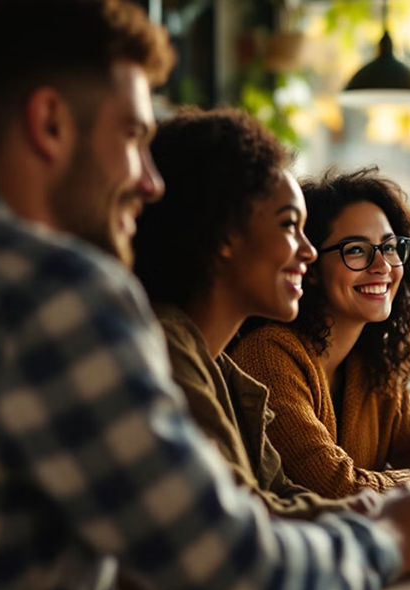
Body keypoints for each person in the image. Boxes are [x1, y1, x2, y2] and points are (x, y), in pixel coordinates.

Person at [0, 2, 410, 590]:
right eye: (133, 135)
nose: (149, 179)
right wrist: (394, 538)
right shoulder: (56, 294)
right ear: (50, 123)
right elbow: (234, 581)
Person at [131, 107, 380, 519]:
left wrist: (388, 514)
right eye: (288, 226)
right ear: (226, 234)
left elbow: (279, 498)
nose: (309, 251)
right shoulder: (166, 352)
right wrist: (390, 522)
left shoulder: (224, 371)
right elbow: (246, 518)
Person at [231, 167, 410, 497]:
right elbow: (333, 487)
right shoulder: (268, 355)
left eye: (389, 246)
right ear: (309, 267)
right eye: (355, 249)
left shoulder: (371, 372)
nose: (381, 265)